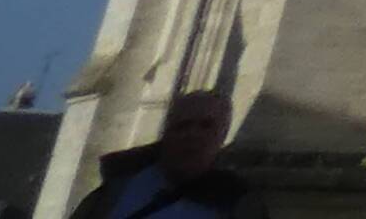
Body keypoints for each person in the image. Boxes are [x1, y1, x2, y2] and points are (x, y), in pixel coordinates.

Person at [68, 91, 249, 219]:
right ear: (166, 134)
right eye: (182, 126)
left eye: (206, 125)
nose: (193, 134)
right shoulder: (113, 194)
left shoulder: (240, 204)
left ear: (223, 135)